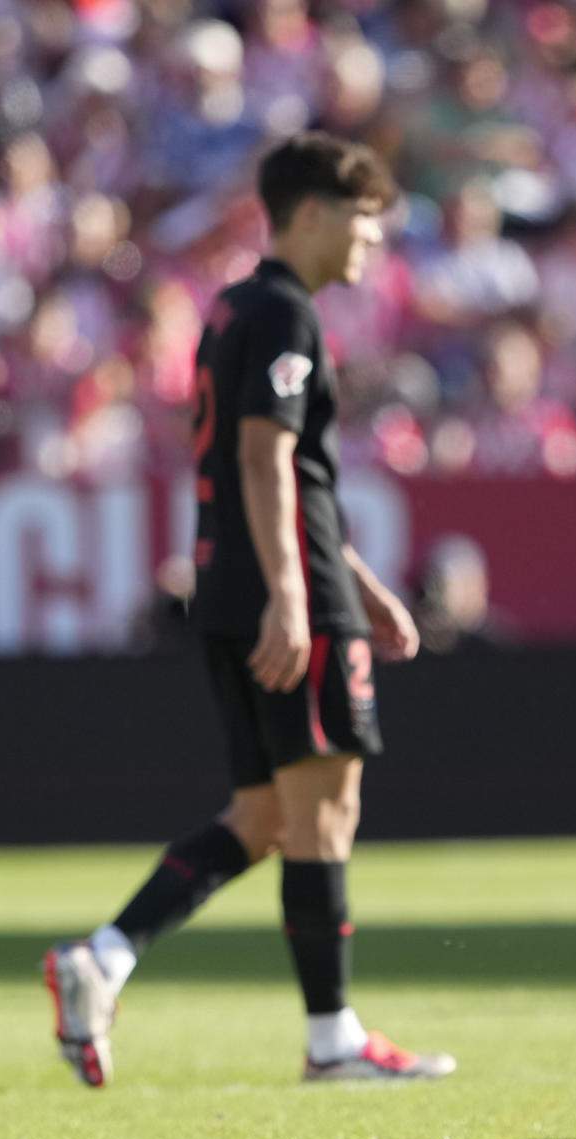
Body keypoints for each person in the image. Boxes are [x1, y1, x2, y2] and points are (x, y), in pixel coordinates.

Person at [43, 133, 453, 1087]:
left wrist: (362, 586)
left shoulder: (232, 308)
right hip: (278, 590)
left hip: (236, 583)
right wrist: (296, 598)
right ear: (309, 212)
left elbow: (283, 472)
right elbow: (268, 461)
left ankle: (104, 956)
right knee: (325, 808)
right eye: (360, 218)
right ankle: (332, 1037)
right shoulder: (283, 312)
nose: (371, 240)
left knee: (265, 812)